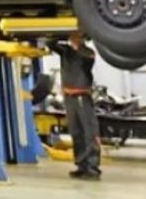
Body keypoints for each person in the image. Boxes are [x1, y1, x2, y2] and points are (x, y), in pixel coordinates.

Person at [50, 32, 102, 181]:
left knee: (89, 132)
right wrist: (59, 34)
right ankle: (81, 166)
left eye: (76, 36)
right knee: (76, 132)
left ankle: (92, 168)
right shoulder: (65, 51)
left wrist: (77, 45)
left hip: (82, 97)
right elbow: (50, 44)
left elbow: (87, 58)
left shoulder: (87, 52)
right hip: (69, 98)